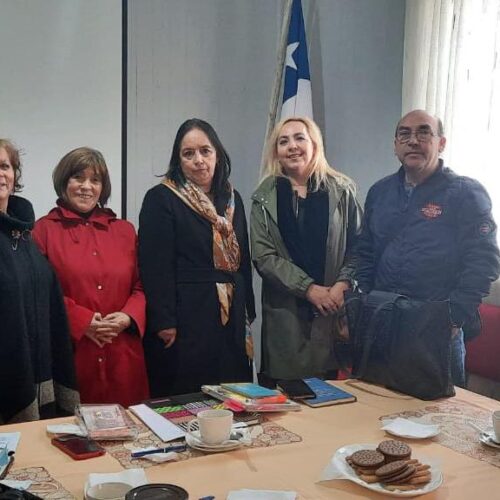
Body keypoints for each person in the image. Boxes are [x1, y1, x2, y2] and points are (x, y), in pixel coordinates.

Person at [356, 109, 500, 387]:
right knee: (376, 411)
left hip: (435, 328)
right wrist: (363, 299)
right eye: (405, 134)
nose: (413, 140)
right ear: (395, 144)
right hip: (383, 320)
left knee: (439, 419)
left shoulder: (466, 193)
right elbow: (365, 250)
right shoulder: (380, 192)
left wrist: (455, 317)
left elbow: (484, 263)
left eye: (424, 132)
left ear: (441, 143)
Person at [139, 118, 255, 396]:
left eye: (205, 151)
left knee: (233, 395)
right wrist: (164, 321)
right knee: (190, 397)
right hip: (187, 315)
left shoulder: (232, 198)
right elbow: (155, 266)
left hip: (232, 314)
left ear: (218, 154)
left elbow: (243, 258)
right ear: (178, 160)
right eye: (188, 153)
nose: (198, 160)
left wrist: (248, 310)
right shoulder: (161, 198)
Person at [33, 147, 149, 407]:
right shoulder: (43, 231)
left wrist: (127, 317)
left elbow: (142, 285)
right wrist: (82, 321)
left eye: (95, 180)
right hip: (73, 356)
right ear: (64, 182)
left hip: (124, 357)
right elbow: (39, 292)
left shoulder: (125, 231)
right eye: (78, 178)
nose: (86, 187)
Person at [250, 117, 363, 384]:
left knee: (332, 408)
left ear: (314, 143)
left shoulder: (342, 191)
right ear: (276, 151)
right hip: (285, 319)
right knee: (283, 410)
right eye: (283, 141)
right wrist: (309, 289)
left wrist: (342, 285)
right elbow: (264, 257)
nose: (292, 146)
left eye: (299, 137)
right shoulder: (263, 197)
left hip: (332, 314)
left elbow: (361, 246)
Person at [0, 139, 78, 423]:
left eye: (4, 166)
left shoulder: (23, 236)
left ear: (14, 174)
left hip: (37, 370)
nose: (0, 174)